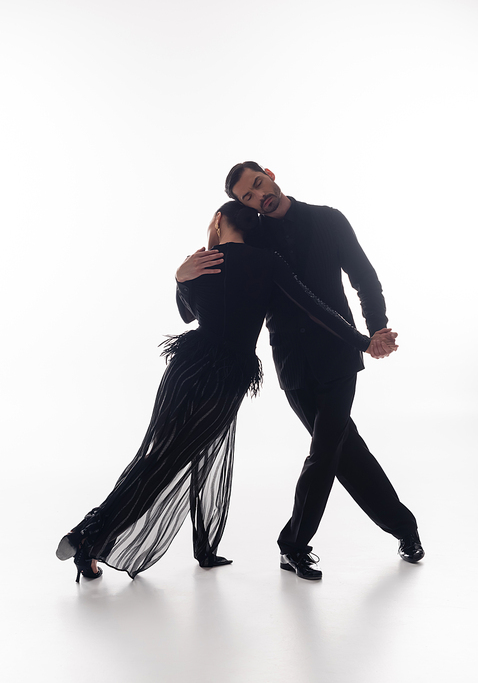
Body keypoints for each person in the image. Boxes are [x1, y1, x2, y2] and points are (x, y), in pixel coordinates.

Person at [56, 201, 396, 582]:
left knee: (159, 457)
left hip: (187, 367)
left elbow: (188, 315)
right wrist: (363, 341)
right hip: (227, 375)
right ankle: (88, 536)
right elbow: (315, 308)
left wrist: (180, 278)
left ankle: (91, 536)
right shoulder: (268, 262)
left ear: (218, 221)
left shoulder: (199, 263)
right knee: (172, 462)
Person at [176, 162, 424, 581]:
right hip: (291, 362)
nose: (259, 197)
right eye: (247, 198)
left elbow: (363, 275)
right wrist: (181, 277)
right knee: (345, 449)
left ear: (270, 174)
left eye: (258, 184)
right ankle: (404, 528)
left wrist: (376, 327)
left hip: (340, 354)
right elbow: (212, 292)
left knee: (326, 451)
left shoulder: (329, 220)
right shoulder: (251, 238)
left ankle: (293, 544)